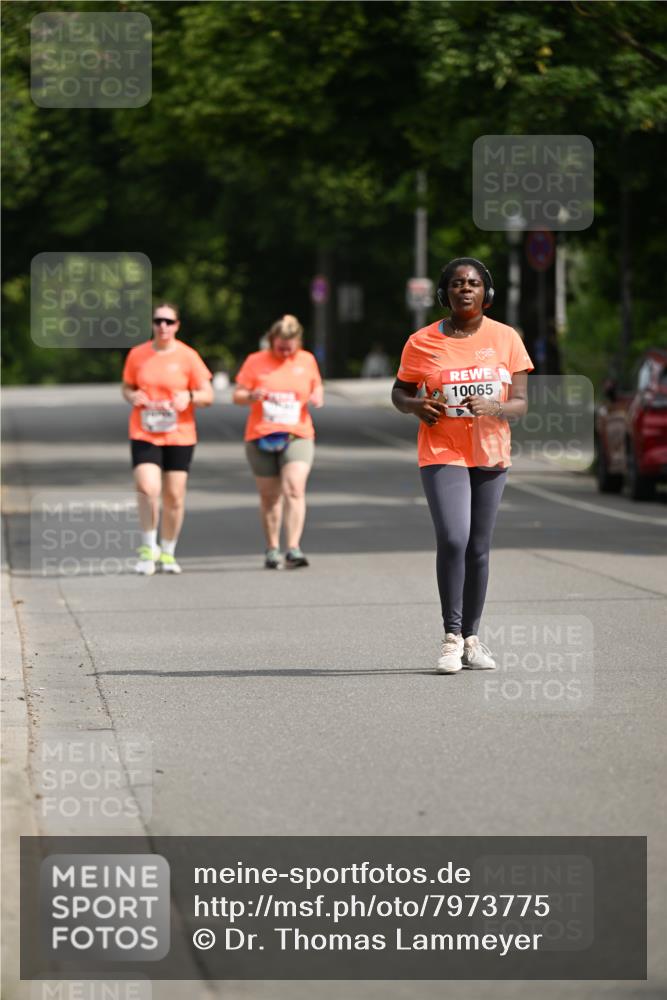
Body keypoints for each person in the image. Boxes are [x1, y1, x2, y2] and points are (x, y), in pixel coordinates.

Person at [392, 258, 534, 674]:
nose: (465, 289)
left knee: (478, 547)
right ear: (445, 293)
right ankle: (451, 637)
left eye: (473, 283)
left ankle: (472, 639)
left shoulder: (507, 339)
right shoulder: (421, 341)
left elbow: (522, 403)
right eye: (457, 284)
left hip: (490, 452)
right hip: (442, 452)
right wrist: (417, 405)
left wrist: (497, 405)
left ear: (486, 293)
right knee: (454, 537)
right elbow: (400, 392)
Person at [122, 302, 213, 575]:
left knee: (174, 496)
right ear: (152, 323)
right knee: (148, 488)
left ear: (177, 325)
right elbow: (127, 386)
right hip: (144, 431)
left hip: (179, 434)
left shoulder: (188, 357)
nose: (163, 326)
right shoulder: (138, 355)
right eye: (158, 320)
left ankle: (169, 551)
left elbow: (208, 395)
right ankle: (148, 548)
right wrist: (131, 396)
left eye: (169, 322)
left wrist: (190, 397)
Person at [233, 314, 323, 569]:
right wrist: (251, 395)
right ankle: (273, 548)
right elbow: (237, 395)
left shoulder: (306, 360)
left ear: (298, 342)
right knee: (270, 496)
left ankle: (293, 547)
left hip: (298, 433)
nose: (285, 352)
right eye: (280, 346)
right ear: (272, 340)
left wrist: (316, 395)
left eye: (290, 347)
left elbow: (316, 386)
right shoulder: (255, 361)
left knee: (294, 488)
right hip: (261, 435)